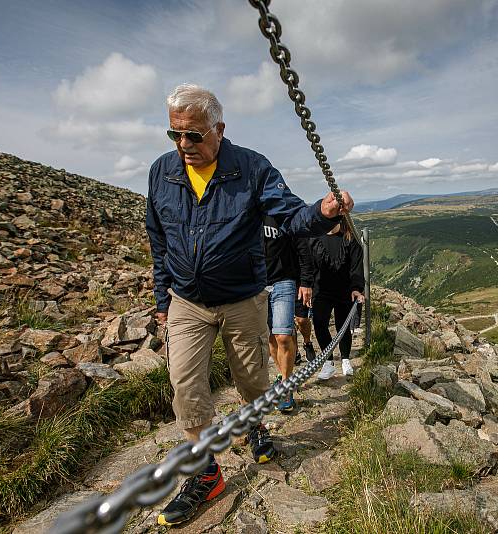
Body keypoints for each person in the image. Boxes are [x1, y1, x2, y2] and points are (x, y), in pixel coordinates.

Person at [145, 84, 354, 526]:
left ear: (219, 129)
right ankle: (206, 475)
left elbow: (291, 216)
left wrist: (324, 211)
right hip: (186, 300)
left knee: (251, 378)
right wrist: (163, 294)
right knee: (185, 386)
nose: (184, 146)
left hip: (242, 298)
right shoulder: (161, 173)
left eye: (194, 135)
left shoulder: (252, 169)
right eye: (174, 135)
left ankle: (254, 425)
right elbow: (158, 238)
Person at [262, 215, 314, 412]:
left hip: (284, 281)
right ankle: (284, 375)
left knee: (283, 336)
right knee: (271, 337)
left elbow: (302, 246)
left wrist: (306, 281)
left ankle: (286, 385)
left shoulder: (281, 210)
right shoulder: (246, 210)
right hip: (257, 284)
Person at [310, 219, 365, 380]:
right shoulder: (315, 239)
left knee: (343, 326)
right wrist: (306, 286)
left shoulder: (349, 239)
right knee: (320, 324)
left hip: (345, 290)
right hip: (321, 290)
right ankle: (328, 362)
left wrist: (356, 288)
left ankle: (345, 359)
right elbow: (309, 265)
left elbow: (356, 267)